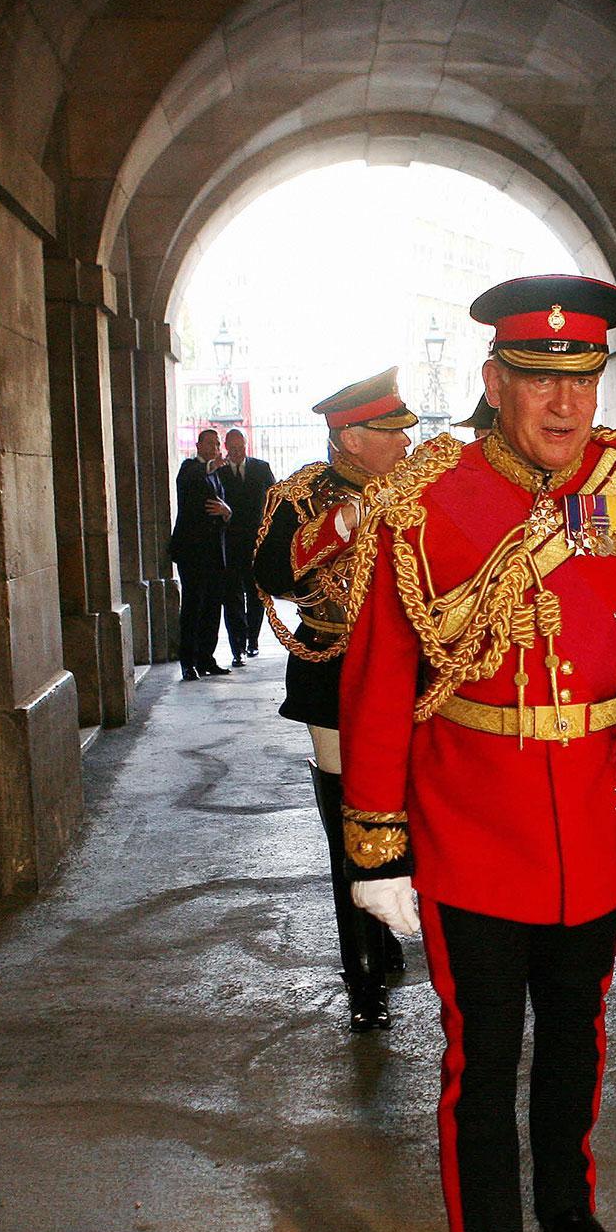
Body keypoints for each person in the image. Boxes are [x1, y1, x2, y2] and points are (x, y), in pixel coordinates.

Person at [337, 275, 616, 1232]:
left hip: (599, 819)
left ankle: (566, 1200)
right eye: (540, 381)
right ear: (493, 381)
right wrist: (377, 846)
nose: (565, 406)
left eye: (584, 379)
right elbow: (379, 677)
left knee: (581, 1030)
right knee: (481, 1059)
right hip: (471, 825)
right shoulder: (427, 496)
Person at [253, 371, 413, 1030]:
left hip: (411, 679)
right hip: (337, 683)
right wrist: (340, 525)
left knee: (407, 819)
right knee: (351, 827)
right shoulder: (301, 498)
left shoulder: (417, 492)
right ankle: (363, 974)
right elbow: (269, 572)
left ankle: (384, 924)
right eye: (392, 433)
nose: (407, 444)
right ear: (350, 438)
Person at [169, 427, 231, 681]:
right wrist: (211, 466)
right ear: (198, 445)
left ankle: (207, 657)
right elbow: (191, 480)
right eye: (211, 443)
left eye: (217, 444)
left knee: (213, 607)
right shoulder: (190, 469)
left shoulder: (216, 476)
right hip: (192, 553)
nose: (215, 448)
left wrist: (227, 512)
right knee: (194, 606)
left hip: (215, 551)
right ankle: (188, 661)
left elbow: (221, 509)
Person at [218, 427, 275, 664]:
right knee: (232, 595)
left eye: (240, 447)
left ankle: (253, 640)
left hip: (256, 543)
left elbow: (275, 499)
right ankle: (237, 647)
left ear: (246, 446)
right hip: (228, 545)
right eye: (232, 448)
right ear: (226, 449)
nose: (237, 452)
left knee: (256, 593)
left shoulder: (261, 469)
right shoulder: (219, 473)